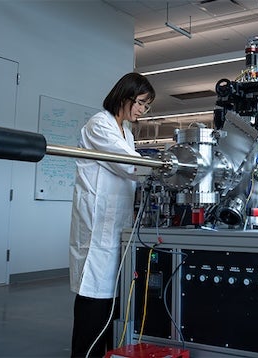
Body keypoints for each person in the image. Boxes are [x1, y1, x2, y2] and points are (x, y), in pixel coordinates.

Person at [69, 72, 154, 358]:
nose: (143, 110)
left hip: (117, 223)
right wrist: (163, 167)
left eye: (147, 105)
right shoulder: (99, 124)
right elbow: (126, 164)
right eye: (141, 102)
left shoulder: (126, 132)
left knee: (113, 304)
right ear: (125, 96)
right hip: (97, 223)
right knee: (93, 302)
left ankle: (106, 353)